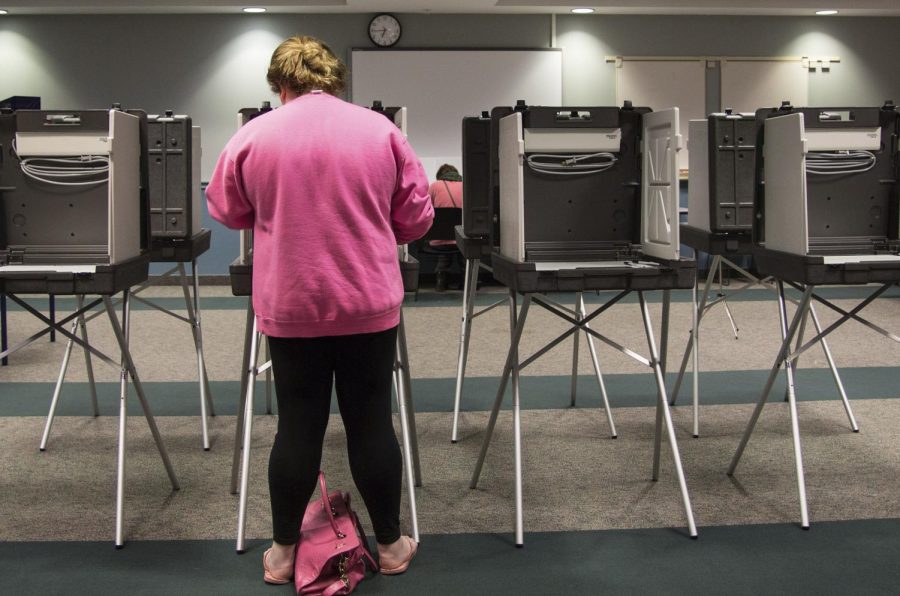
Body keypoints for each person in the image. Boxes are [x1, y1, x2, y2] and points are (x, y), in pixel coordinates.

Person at [206, 35, 433, 584]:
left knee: (298, 425)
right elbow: (417, 219)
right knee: (371, 422)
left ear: (278, 84)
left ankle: (283, 556)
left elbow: (227, 210)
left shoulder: (254, 135)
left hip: (292, 305)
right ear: (334, 79)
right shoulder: (382, 132)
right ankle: (392, 545)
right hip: (367, 303)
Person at [426, 164, 463, 291]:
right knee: (462, 248)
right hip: (461, 240)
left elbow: (426, 209)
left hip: (438, 240)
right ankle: (466, 279)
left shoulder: (435, 186)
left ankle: (441, 277)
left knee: (444, 241)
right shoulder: (466, 186)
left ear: (440, 176)